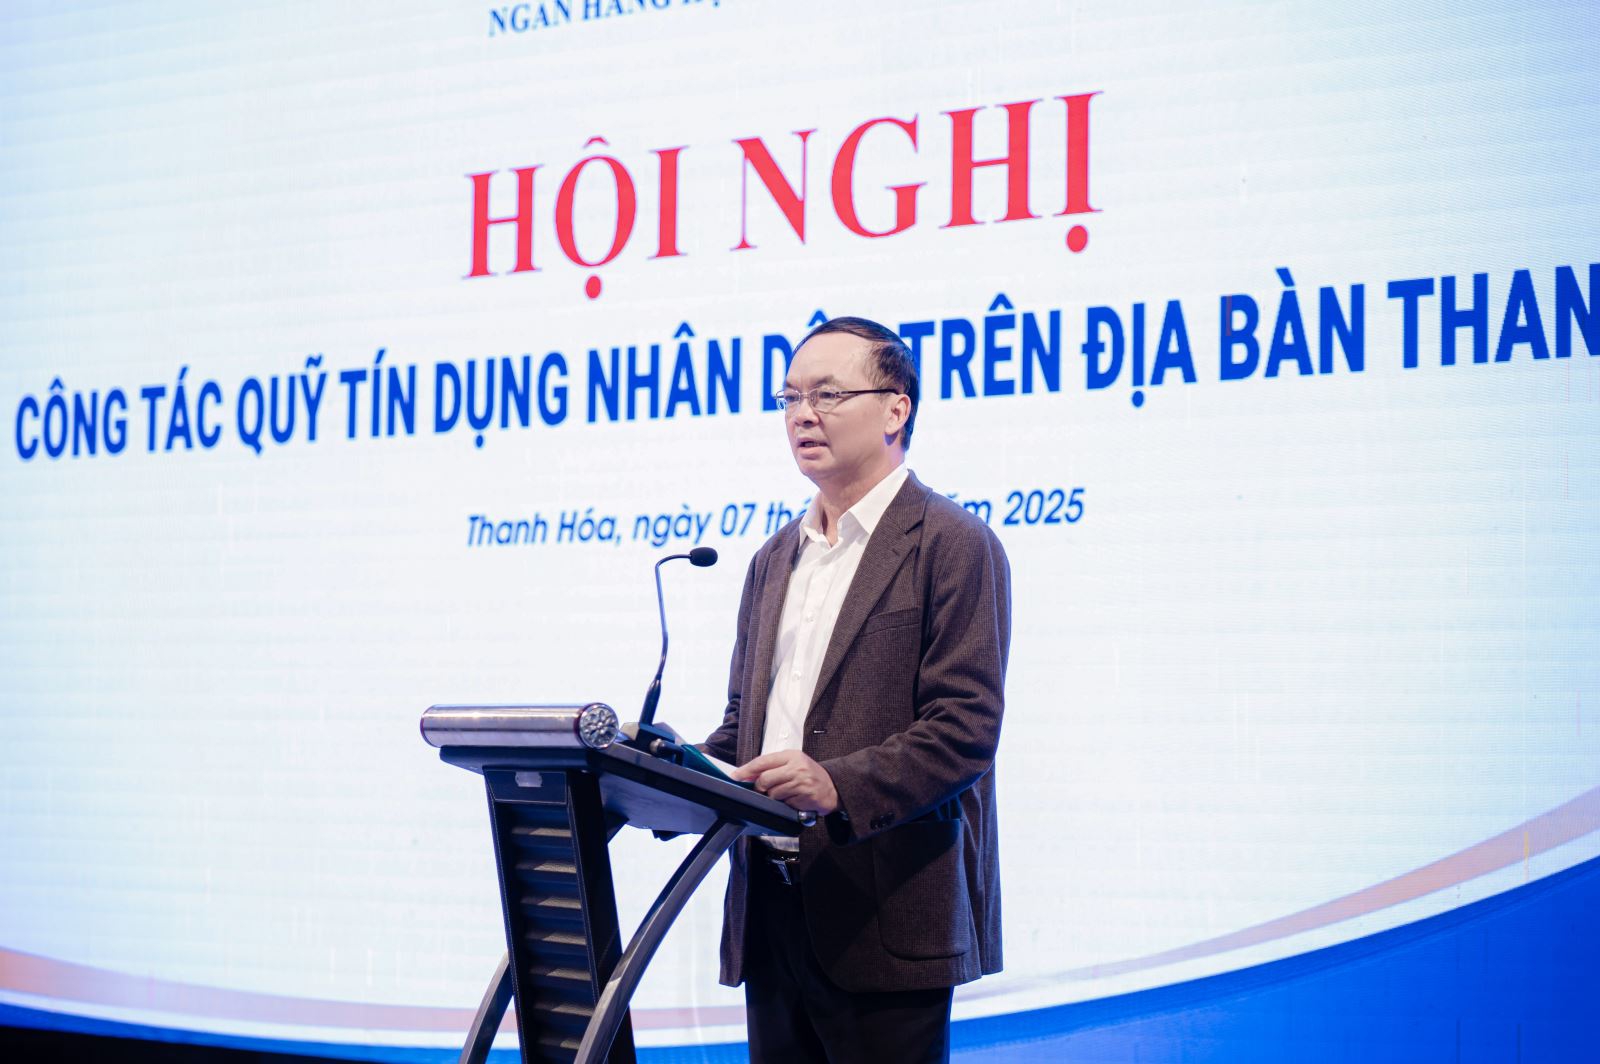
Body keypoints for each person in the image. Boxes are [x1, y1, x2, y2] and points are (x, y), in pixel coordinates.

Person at [700, 316, 1011, 1063]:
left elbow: (965, 727)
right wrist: (668, 773)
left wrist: (837, 784)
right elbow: (747, 724)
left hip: (885, 914)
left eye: (828, 394)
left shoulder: (952, 543)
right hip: (770, 910)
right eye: (790, 398)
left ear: (896, 408)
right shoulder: (774, 558)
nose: (802, 415)